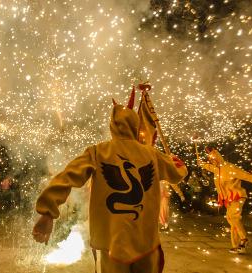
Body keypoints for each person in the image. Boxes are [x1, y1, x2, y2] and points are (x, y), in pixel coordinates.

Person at [32, 93, 187, 273]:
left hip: (111, 246)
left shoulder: (97, 152)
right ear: (135, 126)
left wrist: (47, 212)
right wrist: (172, 158)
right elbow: (178, 173)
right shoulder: (152, 155)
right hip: (146, 245)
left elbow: (66, 177)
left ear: (112, 126)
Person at [198, 148, 252, 254]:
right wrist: (201, 163)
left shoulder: (230, 168)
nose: (212, 162)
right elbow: (209, 167)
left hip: (238, 196)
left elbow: (251, 177)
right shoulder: (217, 169)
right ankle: (237, 246)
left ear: (218, 158)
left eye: (213, 159)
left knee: (234, 218)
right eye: (211, 160)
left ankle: (244, 239)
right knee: (231, 219)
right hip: (227, 199)